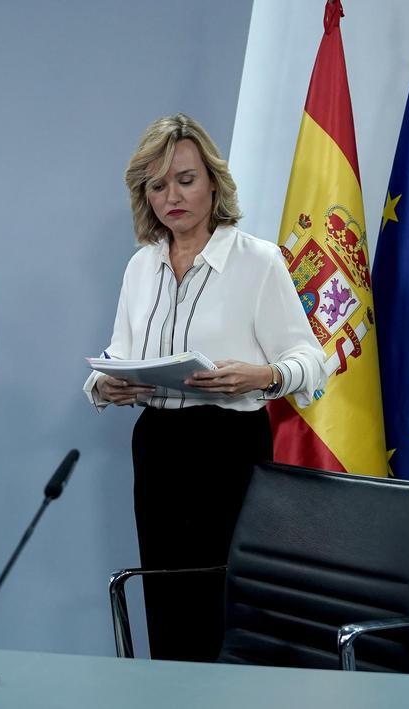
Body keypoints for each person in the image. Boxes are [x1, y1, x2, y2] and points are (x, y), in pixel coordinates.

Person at [84, 114, 326, 662]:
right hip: (157, 444)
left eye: (185, 179)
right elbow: (116, 355)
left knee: (225, 604)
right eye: (158, 184)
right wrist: (107, 385)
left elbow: (313, 358)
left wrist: (264, 376)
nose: (173, 195)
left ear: (213, 182)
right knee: (166, 599)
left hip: (228, 445)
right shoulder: (140, 267)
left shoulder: (257, 260)